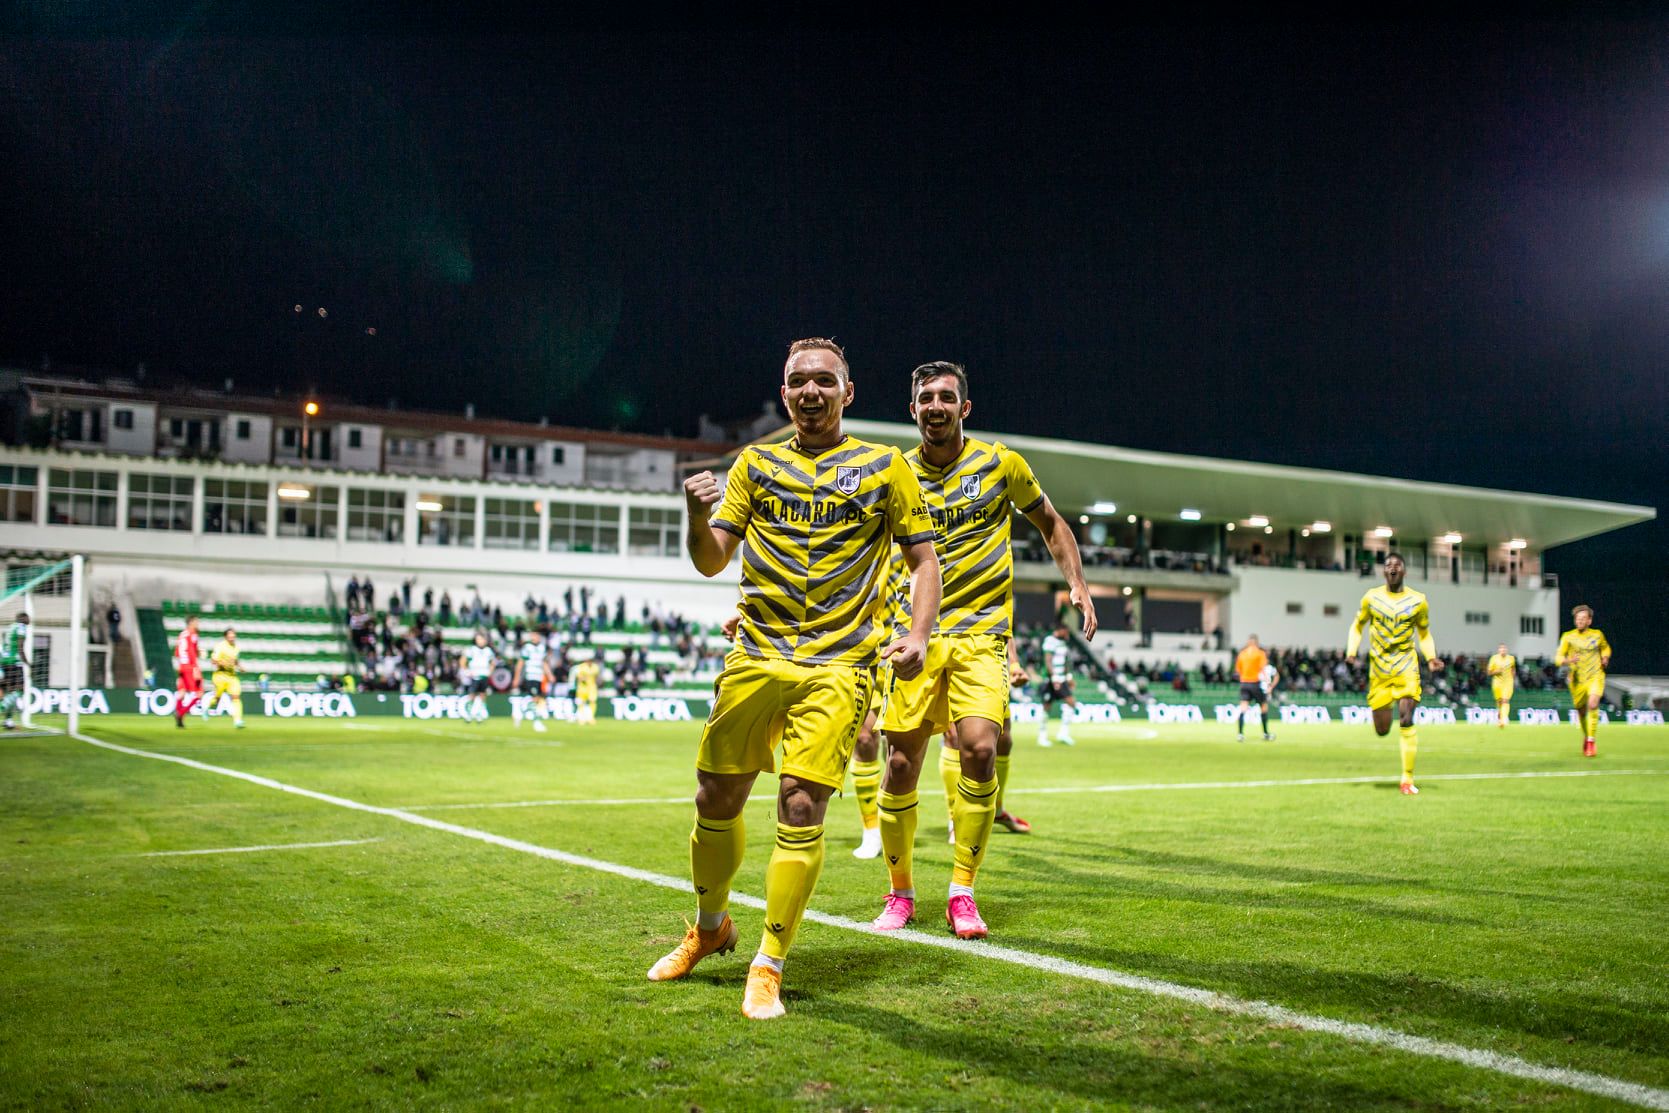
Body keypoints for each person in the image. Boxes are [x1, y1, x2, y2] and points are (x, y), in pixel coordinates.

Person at [646, 337, 938, 1021]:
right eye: (797, 381)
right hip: (755, 656)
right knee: (714, 797)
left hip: (838, 665)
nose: (810, 391)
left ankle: (768, 962)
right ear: (784, 394)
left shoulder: (883, 467)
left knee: (801, 807)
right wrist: (695, 513)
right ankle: (710, 925)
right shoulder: (755, 463)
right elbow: (712, 560)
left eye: (823, 381)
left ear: (847, 391)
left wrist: (918, 632)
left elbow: (923, 561)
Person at [873, 360, 1094, 940]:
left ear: (964, 408)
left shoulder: (1001, 465)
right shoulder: (894, 474)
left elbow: (1050, 522)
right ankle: (900, 893)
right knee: (899, 764)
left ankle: (962, 891)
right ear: (914, 409)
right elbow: (863, 552)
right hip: (914, 635)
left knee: (979, 749)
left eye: (946, 397)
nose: (936, 407)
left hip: (982, 637)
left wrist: (1077, 582)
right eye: (926, 398)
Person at [1346, 553, 1442, 795]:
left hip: (1406, 666)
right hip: (1379, 670)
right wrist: (1351, 651)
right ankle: (1384, 717)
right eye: (1388, 565)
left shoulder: (1418, 601)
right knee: (1382, 730)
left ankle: (1407, 779)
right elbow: (1357, 626)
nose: (1392, 568)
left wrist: (1431, 658)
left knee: (1407, 717)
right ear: (1383, 572)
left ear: (1404, 571)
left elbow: (1424, 633)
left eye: (1397, 565)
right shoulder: (1371, 597)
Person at [1555, 606, 1611, 757]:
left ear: (1589, 620)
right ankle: (1587, 736)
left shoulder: (1597, 635)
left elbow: (1606, 648)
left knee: (1593, 704)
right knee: (1581, 711)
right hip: (1577, 680)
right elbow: (1558, 658)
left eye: (1582, 618)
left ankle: (1591, 742)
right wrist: (1569, 660)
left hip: (1595, 676)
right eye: (1577, 619)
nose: (1579, 621)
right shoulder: (1568, 637)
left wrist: (1605, 658)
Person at [1038, 623, 1079, 747]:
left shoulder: (1063, 643)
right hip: (1050, 680)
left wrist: (1068, 677)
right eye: (1066, 631)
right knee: (1047, 706)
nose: (1067, 634)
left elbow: (1065, 662)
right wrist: (1054, 677)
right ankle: (1042, 736)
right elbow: (1048, 660)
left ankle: (1063, 733)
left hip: (1061, 679)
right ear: (1060, 630)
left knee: (1071, 702)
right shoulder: (1050, 641)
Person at [1233, 635, 1274, 742]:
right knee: (1264, 707)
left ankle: (1240, 734)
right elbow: (1262, 669)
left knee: (1243, 708)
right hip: (1255, 683)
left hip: (1244, 684)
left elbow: (1238, 670)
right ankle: (1265, 734)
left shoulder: (1242, 654)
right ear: (1256, 643)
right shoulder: (1260, 653)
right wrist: (1268, 682)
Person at [511, 630, 552, 732]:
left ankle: (519, 714)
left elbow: (544, 663)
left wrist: (550, 675)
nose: (535, 637)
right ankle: (536, 722)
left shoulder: (542, 648)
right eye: (533, 636)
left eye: (536, 635)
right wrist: (516, 677)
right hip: (530, 676)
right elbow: (520, 663)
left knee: (536, 699)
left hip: (539, 677)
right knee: (534, 699)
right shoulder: (527, 648)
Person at [207, 626, 246, 728]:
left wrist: (240, 667)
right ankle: (207, 708)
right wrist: (222, 663)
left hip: (232, 676)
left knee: (236, 697)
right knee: (217, 698)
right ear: (226, 637)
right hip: (220, 675)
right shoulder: (220, 646)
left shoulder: (236, 648)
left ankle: (238, 721)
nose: (232, 638)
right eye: (230, 636)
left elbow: (235, 660)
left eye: (234, 636)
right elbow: (213, 660)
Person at [1, 611, 31, 730]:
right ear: (23, 619)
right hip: (14, 663)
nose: (29, 619)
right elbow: (20, 648)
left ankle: (8, 721)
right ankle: (2, 707)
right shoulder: (21, 627)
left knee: (9, 692)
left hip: (4, 661)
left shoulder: (11, 627)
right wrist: (28, 664)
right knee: (20, 690)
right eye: (28, 617)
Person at [173, 615, 205, 727]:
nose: (198, 624)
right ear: (191, 622)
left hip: (182, 666)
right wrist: (195, 667)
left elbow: (177, 653)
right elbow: (191, 651)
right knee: (199, 693)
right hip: (191, 667)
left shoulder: (182, 634)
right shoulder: (193, 633)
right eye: (196, 622)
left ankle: (179, 719)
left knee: (182, 692)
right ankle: (180, 713)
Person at [460, 632, 496, 722]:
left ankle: (480, 712)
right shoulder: (472, 650)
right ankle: (469, 712)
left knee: (482, 694)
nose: (480, 641)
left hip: (484, 675)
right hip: (475, 676)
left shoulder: (488, 651)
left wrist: (490, 672)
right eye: (478, 639)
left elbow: (493, 663)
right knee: (472, 694)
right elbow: (462, 661)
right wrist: (466, 671)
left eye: (482, 639)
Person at [1486, 642, 1516, 729]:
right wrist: (1497, 671)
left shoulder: (1511, 658)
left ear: (1506, 650)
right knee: (1499, 702)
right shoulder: (1494, 659)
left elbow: (1513, 669)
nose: (1503, 650)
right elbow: (1489, 672)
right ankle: (1500, 718)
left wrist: (1513, 678)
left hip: (1508, 683)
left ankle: (1503, 719)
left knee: (1505, 700)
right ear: (1499, 650)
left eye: (1504, 648)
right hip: (1497, 683)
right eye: (1501, 648)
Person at [572, 653, 600, 725]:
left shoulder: (595, 667)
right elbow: (579, 677)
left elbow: (596, 676)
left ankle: (591, 717)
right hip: (582, 687)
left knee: (592, 701)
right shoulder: (581, 667)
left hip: (592, 687)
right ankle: (581, 718)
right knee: (581, 702)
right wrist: (584, 679)